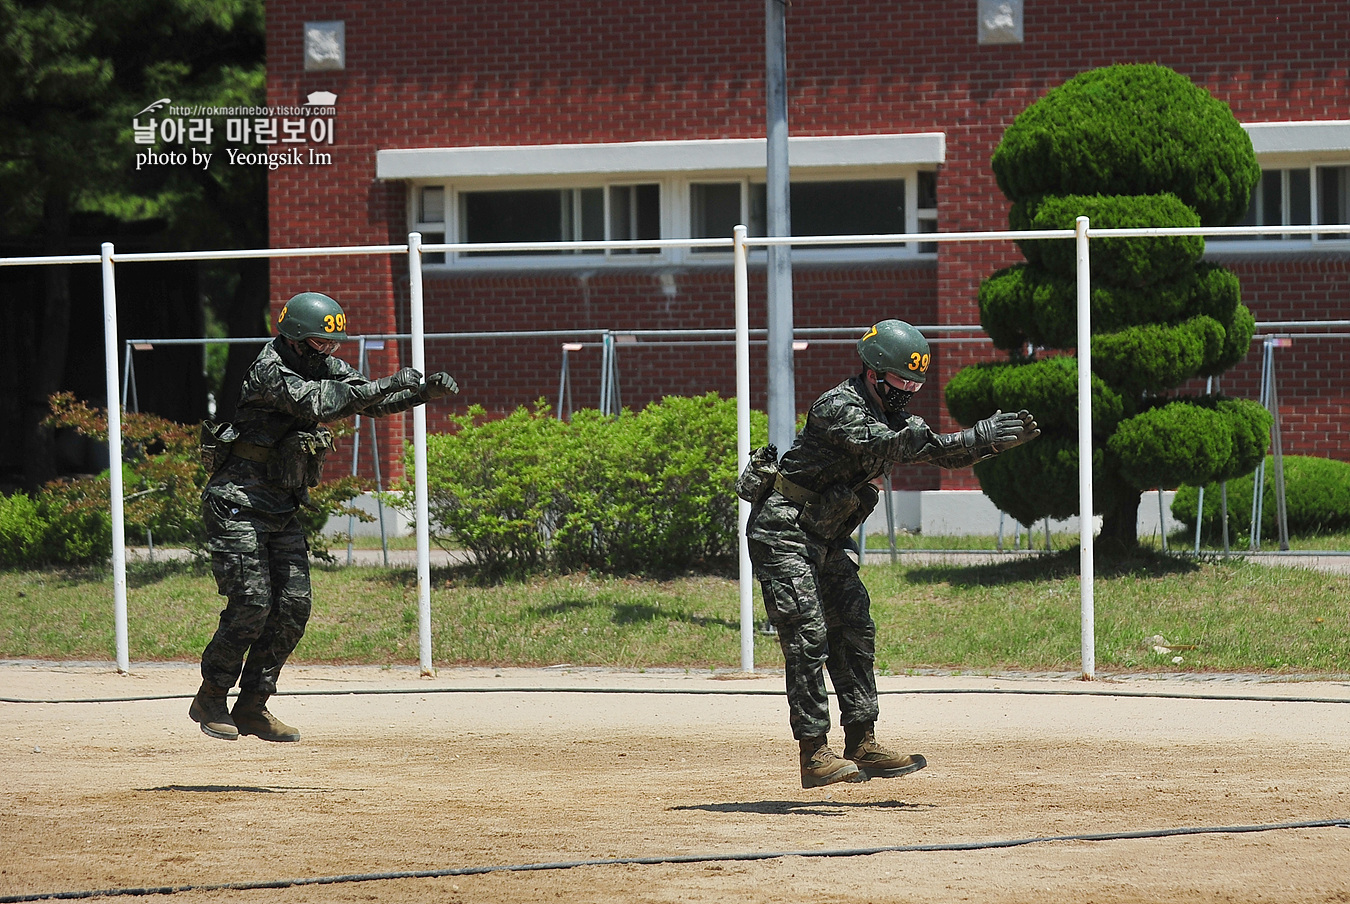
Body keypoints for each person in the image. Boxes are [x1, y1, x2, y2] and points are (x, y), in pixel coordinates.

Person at [744, 319, 1039, 788]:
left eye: (916, 383)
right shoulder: (837, 406)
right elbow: (890, 445)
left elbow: (935, 451)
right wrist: (951, 435)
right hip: (784, 531)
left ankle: (862, 742)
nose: (909, 389)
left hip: (825, 535)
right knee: (808, 636)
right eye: (902, 380)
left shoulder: (890, 415)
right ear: (874, 371)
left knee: (855, 626)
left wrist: (986, 442)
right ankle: (814, 753)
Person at [189, 291, 459, 743]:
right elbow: (324, 405)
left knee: (294, 607)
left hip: (281, 505)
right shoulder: (269, 369)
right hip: (237, 503)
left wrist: (419, 393)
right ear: (295, 337)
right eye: (321, 343)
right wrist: (385, 383)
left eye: (333, 344)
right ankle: (212, 696)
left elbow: (364, 402)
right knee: (252, 604)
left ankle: (254, 705)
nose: (330, 351)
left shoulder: (319, 362)